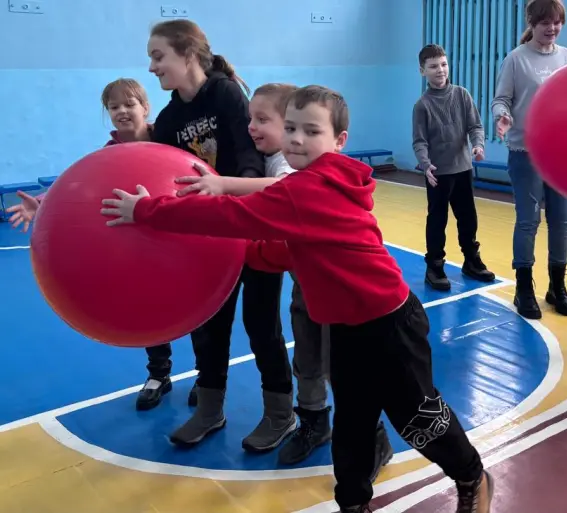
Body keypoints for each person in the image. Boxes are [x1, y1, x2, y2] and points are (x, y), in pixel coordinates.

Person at [101, 84, 494, 513]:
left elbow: (231, 214)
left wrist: (147, 211)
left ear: (339, 141)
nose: (297, 139)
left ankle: (471, 475)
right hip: (345, 328)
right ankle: (353, 503)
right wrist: (237, 255)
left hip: (388, 324)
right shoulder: (309, 187)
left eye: (311, 131)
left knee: (416, 417)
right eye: (290, 128)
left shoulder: (308, 189)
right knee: (352, 424)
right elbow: (293, 250)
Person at [174, 83, 394, 477]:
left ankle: (372, 435)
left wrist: (225, 186)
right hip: (308, 289)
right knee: (306, 357)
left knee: (339, 366)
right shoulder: (264, 156)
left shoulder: (295, 170)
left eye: (264, 120)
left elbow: (283, 190)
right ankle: (313, 421)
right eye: (251, 119)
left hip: (344, 299)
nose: (252, 127)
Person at [146, 19, 295, 452]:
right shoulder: (169, 118)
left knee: (261, 324)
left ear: (188, 55)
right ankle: (210, 410)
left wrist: (235, 204)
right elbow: (156, 169)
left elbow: (249, 156)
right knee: (209, 326)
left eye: (158, 56)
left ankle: (280, 413)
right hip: (208, 236)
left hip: (251, 230)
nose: (152, 67)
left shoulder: (226, 94)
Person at [3, 78, 196, 411]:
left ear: (145, 107)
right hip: (135, 245)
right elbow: (81, 187)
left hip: (181, 239)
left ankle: (208, 377)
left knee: (197, 305)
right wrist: (43, 204)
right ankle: (158, 374)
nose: (122, 112)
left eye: (129, 104)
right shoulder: (108, 154)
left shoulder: (169, 139)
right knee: (150, 304)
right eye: (114, 107)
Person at [491, 0, 567, 320]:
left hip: (561, 154)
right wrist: (502, 117)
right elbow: (501, 99)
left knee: (562, 221)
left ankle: (557, 287)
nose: (552, 28)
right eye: (545, 22)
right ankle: (524, 288)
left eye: (557, 22)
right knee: (528, 221)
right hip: (525, 153)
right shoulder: (516, 59)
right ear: (532, 22)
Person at [412, 43, 495, 290]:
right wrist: (426, 164)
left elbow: (475, 126)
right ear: (423, 71)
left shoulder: (462, 95)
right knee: (437, 220)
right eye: (433, 66)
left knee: (468, 218)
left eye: (443, 64)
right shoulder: (422, 106)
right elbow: (419, 141)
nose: (440, 70)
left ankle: (471, 260)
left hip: (463, 170)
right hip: (438, 174)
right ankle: (435, 266)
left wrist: (478, 145)